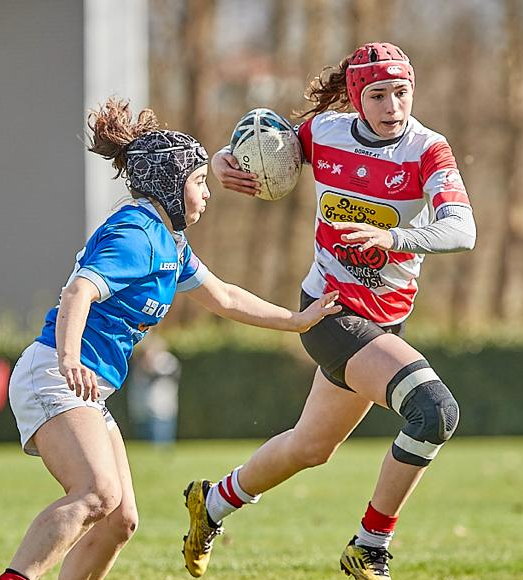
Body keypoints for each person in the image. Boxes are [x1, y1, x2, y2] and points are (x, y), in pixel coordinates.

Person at [0, 97, 341, 580]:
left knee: (120, 521)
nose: (207, 192)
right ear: (170, 184)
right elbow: (78, 292)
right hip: (55, 372)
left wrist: (295, 320)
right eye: (199, 181)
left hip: (79, 382)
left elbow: (223, 297)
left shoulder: (169, 242)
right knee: (97, 494)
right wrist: (71, 358)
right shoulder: (136, 234)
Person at [182, 42, 476, 580]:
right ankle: (370, 546)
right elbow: (261, 149)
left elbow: (463, 229)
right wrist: (219, 162)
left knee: (310, 446)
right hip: (328, 310)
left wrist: (394, 236)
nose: (393, 106)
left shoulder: (428, 149)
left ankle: (212, 502)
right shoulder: (324, 132)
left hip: (383, 320)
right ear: (358, 99)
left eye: (402, 92)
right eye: (379, 94)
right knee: (434, 412)